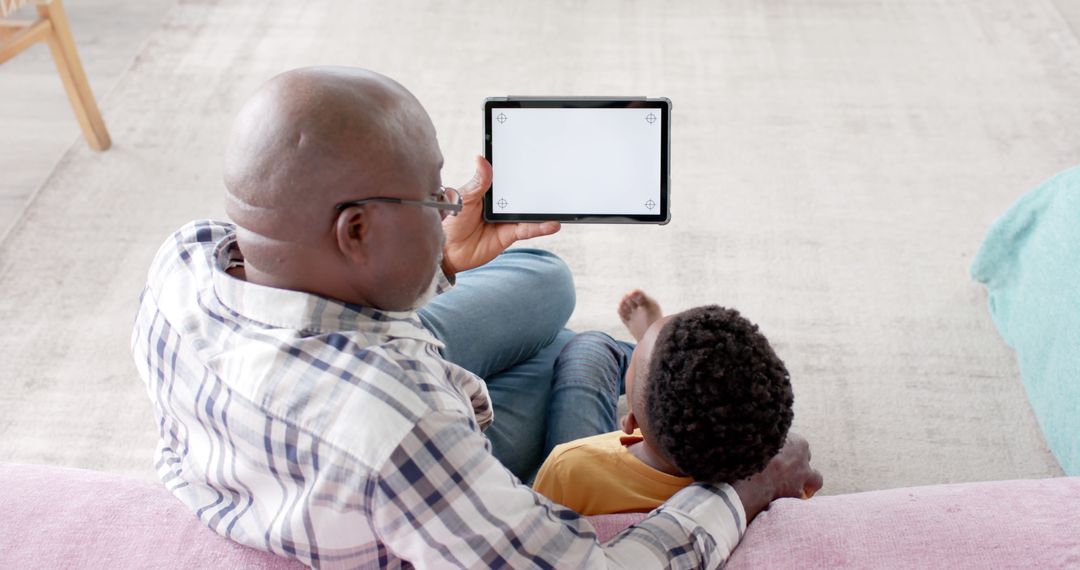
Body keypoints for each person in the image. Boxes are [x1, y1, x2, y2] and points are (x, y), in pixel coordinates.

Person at [131, 66, 822, 568]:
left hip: (303, 402)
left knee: (547, 282)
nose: (455, 204)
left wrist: (445, 264)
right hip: (378, 457)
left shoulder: (184, 260)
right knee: (570, 355)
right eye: (434, 198)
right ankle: (590, 365)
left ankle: (589, 362)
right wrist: (743, 489)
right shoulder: (403, 425)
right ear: (358, 231)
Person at [535, 291, 811, 515]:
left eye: (636, 363)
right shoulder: (772, 480)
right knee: (582, 346)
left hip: (594, 476)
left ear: (629, 422)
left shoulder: (568, 469)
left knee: (588, 345)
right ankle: (654, 359)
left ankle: (649, 354)